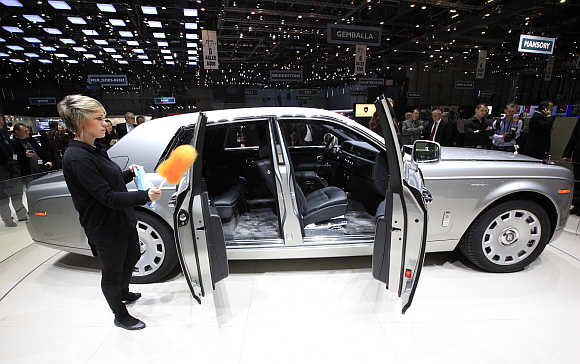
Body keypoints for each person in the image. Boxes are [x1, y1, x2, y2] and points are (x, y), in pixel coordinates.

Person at [58, 95, 162, 330]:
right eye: (99, 119)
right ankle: (120, 315)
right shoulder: (77, 158)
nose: (106, 124)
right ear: (81, 122)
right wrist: (144, 196)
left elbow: (109, 184)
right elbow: (106, 198)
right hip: (104, 226)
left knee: (132, 256)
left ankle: (123, 293)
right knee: (112, 272)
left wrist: (128, 174)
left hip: (121, 219)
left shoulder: (95, 149)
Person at [0, 116, 27, 226]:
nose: (1, 122)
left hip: (13, 170)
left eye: (2, 120)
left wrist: (15, 160)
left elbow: (13, 152)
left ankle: (22, 215)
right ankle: (7, 219)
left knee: (17, 194)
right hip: (2, 173)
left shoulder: (4, 135)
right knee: (3, 198)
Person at [562, 118, 580, 215]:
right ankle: (577, 205)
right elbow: (574, 135)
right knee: (577, 180)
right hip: (578, 153)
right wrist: (567, 153)